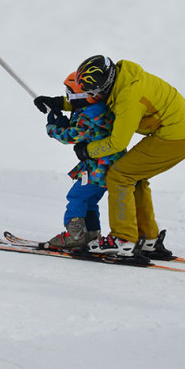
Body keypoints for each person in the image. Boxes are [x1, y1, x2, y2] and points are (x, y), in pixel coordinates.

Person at [34, 55, 185, 263]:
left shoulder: (128, 97)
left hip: (176, 138)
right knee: (136, 176)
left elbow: (117, 143)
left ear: (103, 85)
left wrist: (87, 150)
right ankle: (147, 238)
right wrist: (58, 102)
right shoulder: (121, 78)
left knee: (120, 175)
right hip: (182, 132)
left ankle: (123, 240)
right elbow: (93, 101)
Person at [43, 72, 126, 249]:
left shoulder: (91, 114)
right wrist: (65, 120)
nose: (68, 97)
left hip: (98, 168)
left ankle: (75, 235)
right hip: (106, 167)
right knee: (89, 200)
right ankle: (91, 233)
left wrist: (53, 129)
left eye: (70, 93)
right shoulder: (97, 107)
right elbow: (83, 130)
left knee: (77, 196)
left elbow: (72, 136)